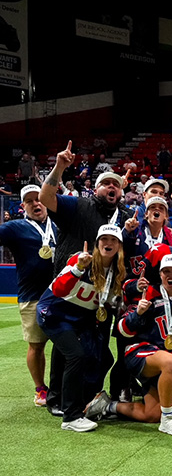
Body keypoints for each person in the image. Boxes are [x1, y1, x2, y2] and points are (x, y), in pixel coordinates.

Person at [36, 224, 125, 432]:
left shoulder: (117, 272)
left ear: (119, 246)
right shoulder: (81, 259)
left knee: (88, 355)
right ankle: (71, 415)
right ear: (97, 243)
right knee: (76, 355)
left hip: (78, 318)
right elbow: (58, 289)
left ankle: (60, 400)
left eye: (113, 240)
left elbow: (109, 304)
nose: (108, 243)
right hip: (53, 313)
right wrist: (78, 268)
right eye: (104, 239)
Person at [106, 254, 172, 435]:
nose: (170, 276)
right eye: (166, 272)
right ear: (160, 274)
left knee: (152, 414)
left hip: (163, 360)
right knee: (171, 361)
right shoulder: (149, 293)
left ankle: (109, 406)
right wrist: (137, 313)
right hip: (140, 352)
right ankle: (169, 419)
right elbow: (122, 330)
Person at [0, 185, 58, 407]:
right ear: (23, 206)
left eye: (39, 199)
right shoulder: (15, 228)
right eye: (30, 201)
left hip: (62, 295)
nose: (36, 204)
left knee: (67, 344)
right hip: (32, 295)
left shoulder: (59, 224)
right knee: (36, 345)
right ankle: (40, 389)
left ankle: (62, 387)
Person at [39, 140, 133, 275]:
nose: (112, 186)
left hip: (106, 288)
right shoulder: (78, 205)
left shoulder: (126, 215)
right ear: (95, 190)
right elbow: (45, 198)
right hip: (71, 287)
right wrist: (59, 167)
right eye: (106, 183)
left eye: (116, 185)